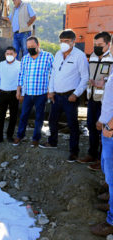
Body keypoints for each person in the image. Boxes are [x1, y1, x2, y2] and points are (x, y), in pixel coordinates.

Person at [39, 29, 89, 162]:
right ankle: (52, 142)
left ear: (73, 42)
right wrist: (51, 91)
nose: (63, 44)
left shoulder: (80, 56)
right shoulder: (58, 54)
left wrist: (76, 94)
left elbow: (85, 78)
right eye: (61, 41)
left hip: (70, 97)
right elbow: (53, 74)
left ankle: (74, 152)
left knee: (72, 125)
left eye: (66, 41)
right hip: (57, 96)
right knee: (52, 120)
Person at [78, 32, 113, 170]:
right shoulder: (92, 56)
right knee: (91, 127)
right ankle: (92, 154)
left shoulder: (111, 58)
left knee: (102, 129)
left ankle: (101, 159)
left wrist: (102, 82)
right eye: (95, 45)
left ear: (108, 44)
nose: (97, 47)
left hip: (104, 102)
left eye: (100, 45)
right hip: (92, 99)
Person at [13, 36, 54, 147]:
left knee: (39, 117)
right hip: (28, 93)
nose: (30, 48)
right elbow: (21, 75)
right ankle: (20, 135)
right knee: (23, 116)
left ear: (38, 45)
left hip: (41, 93)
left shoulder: (48, 56)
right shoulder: (25, 59)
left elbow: (53, 74)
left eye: (32, 46)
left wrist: (51, 90)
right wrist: (18, 91)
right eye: (28, 47)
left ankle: (36, 138)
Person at [90, 68, 113, 237]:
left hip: (111, 131)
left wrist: (110, 125)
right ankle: (111, 202)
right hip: (107, 130)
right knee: (107, 169)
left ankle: (111, 222)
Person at [0, 46, 20, 144]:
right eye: (7, 54)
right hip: (3, 93)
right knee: (1, 116)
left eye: (11, 54)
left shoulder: (19, 65)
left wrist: (20, 93)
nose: (9, 56)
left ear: (15, 54)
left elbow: (21, 81)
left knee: (13, 116)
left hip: (14, 94)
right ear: (5, 55)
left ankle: (9, 135)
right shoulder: (1, 65)